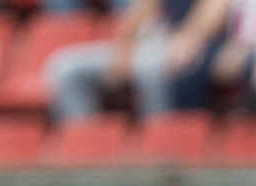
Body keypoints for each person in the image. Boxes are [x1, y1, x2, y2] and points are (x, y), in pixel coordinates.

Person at [44, 0, 195, 123]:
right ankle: (87, 147)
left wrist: (190, 39)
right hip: (148, 44)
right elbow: (141, 13)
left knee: (150, 72)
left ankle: (159, 145)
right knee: (67, 68)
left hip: (184, 44)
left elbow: (204, 22)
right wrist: (124, 50)